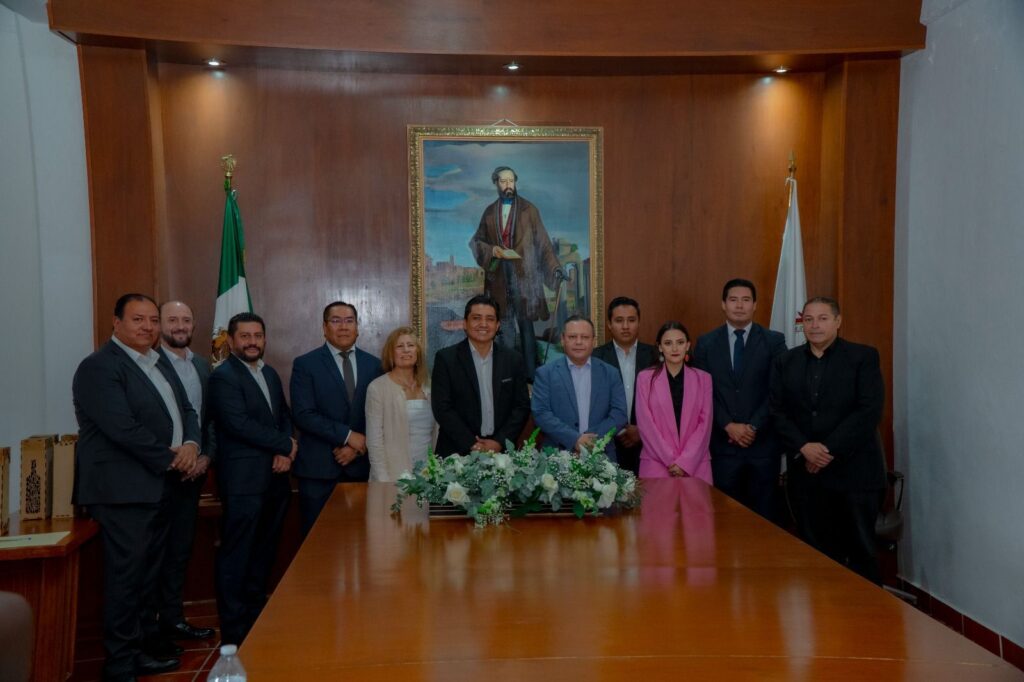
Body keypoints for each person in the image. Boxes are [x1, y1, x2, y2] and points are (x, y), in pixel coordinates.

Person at [72, 293, 200, 681]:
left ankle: (141, 649)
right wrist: (173, 458)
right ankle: (120, 664)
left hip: (159, 486)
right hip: (123, 491)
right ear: (116, 323)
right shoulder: (99, 367)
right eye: (138, 319)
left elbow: (188, 410)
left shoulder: (157, 361)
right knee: (126, 580)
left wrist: (191, 444)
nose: (147, 327)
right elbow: (122, 429)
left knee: (147, 576)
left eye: (152, 320)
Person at [769, 297, 886, 583]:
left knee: (862, 554)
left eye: (822, 318)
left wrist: (826, 450)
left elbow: (868, 411)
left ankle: (866, 611)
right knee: (816, 556)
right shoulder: (785, 361)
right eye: (808, 319)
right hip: (807, 477)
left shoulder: (863, 357)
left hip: (854, 475)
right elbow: (777, 412)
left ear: (838, 321)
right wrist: (804, 448)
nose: (815, 325)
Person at [208, 312, 297, 645]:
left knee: (263, 553)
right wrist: (284, 444)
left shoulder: (269, 373)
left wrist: (285, 451)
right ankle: (234, 632)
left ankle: (257, 621)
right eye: (245, 336)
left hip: (275, 479)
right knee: (237, 556)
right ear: (231, 340)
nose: (252, 342)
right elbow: (237, 424)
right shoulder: (223, 376)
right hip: (243, 482)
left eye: (257, 336)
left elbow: (283, 416)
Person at [692, 279, 787, 520]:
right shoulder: (705, 343)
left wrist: (753, 426)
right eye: (733, 300)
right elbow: (701, 394)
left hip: (763, 447)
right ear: (723, 304)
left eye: (746, 300)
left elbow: (778, 391)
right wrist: (727, 424)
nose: (739, 306)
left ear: (755, 305)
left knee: (765, 520)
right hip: (723, 447)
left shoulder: (774, 341)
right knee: (724, 520)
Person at [290, 301, 382, 536]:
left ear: (357, 327)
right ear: (324, 327)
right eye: (336, 321)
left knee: (361, 541)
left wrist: (359, 447)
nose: (343, 327)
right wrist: (348, 436)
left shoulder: (374, 365)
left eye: (349, 321)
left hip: (361, 470)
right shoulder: (305, 364)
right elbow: (303, 414)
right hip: (318, 472)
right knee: (317, 542)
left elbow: (381, 417)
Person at [155, 300, 217, 641]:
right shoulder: (149, 364)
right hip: (157, 475)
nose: (180, 326)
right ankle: (151, 629)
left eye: (186, 320)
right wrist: (175, 458)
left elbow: (210, 419)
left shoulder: (203, 366)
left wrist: (205, 457)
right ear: (159, 324)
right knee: (153, 553)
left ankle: (173, 619)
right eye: (172, 320)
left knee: (180, 550)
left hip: (194, 475)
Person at [469, 165, 567, 380]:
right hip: (498, 278)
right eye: (503, 181)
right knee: (503, 328)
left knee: (526, 329)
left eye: (511, 181)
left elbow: (543, 244)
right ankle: (507, 378)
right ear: (496, 183)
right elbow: (476, 241)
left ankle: (531, 376)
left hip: (524, 279)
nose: (508, 185)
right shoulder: (489, 212)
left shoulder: (529, 210)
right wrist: (492, 250)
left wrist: (555, 269)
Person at [431, 294, 531, 456]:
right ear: (465, 323)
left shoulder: (513, 359)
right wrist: (472, 444)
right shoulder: (446, 359)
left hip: (501, 453)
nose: (483, 324)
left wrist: (500, 442)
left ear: (497, 325)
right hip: (456, 452)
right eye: (476, 318)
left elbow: (521, 406)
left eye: (490, 319)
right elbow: (442, 408)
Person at [531, 314, 628, 461]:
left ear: (593, 341)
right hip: (557, 456)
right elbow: (541, 413)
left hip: (601, 454)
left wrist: (590, 440)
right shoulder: (545, 374)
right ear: (563, 340)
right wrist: (574, 439)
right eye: (572, 337)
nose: (578, 342)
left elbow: (619, 413)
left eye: (585, 337)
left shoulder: (610, 373)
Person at [635, 321, 713, 482]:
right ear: (660, 347)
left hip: (695, 465)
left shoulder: (704, 379)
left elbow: (704, 426)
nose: (675, 348)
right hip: (657, 464)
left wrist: (685, 462)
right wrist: (671, 460)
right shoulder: (645, 378)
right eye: (668, 343)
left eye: (680, 342)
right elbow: (646, 425)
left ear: (688, 345)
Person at [592, 296, 658, 474]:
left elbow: (663, 404)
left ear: (639, 322)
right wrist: (618, 430)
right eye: (619, 320)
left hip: (648, 445)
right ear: (609, 324)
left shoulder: (655, 356)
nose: (626, 326)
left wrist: (642, 430)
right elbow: (594, 404)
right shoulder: (596, 358)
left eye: (631, 320)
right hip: (607, 444)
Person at [365, 327, 437, 481]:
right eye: (399, 346)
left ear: (418, 351)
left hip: (429, 474)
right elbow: (374, 442)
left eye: (411, 345)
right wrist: (383, 481)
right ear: (391, 353)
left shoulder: (430, 386)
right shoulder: (377, 388)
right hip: (393, 476)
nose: (406, 350)